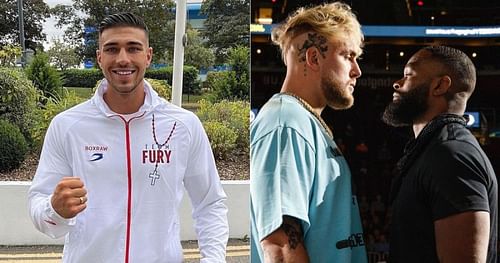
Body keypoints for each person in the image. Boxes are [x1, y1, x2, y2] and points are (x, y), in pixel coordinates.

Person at [28, 12, 228, 263]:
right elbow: (39, 206)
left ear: (148, 56)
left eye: (133, 48)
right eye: (112, 49)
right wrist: (55, 210)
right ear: (100, 58)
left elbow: (210, 203)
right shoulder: (67, 126)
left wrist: (213, 259)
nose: (123, 59)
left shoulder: (183, 125)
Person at [250, 2, 367, 262]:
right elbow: (280, 247)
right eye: (348, 56)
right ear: (314, 57)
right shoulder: (286, 124)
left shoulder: (302, 121)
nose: (357, 71)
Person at [383, 45, 497, 263]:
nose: (397, 83)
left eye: (408, 75)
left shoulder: (451, 155)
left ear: (439, 85)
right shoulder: (434, 149)